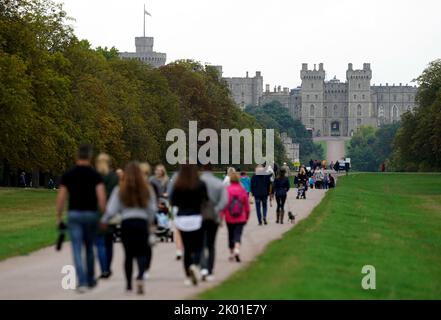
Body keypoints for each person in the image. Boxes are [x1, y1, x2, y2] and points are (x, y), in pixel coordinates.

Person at [56, 144, 106, 292]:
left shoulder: (69, 175)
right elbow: (102, 198)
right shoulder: (95, 175)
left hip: (74, 214)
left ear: (77, 156)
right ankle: (90, 279)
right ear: (90, 157)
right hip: (91, 214)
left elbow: (61, 198)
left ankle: (82, 281)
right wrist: (103, 217)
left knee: (77, 249)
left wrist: (59, 217)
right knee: (89, 248)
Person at [101, 162, 157, 294]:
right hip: (142, 223)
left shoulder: (120, 189)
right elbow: (152, 209)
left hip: (127, 223)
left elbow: (111, 209)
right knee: (142, 252)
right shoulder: (147, 189)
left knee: (128, 255)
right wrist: (150, 222)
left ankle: (128, 285)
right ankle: (140, 277)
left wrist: (104, 220)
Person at [169, 164, 208, 286]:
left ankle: (187, 274)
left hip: (182, 219)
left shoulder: (178, 185)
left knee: (187, 248)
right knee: (198, 246)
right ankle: (194, 265)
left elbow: (173, 201)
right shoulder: (200, 184)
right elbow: (205, 200)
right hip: (196, 217)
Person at [199, 163, 228, 282]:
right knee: (211, 245)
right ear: (213, 170)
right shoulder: (218, 183)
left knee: (200, 244)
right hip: (213, 217)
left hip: (200, 216)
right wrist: (216, 210)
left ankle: (203, 267)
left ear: (202, 169)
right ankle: (210, 271)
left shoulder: (197, 182)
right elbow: (224, 201)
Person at [95, 153, 119, 279]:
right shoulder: (114, 177)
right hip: (111, 211)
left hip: (99, 211)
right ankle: (108, 267)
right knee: (109, 241)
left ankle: (104, 269)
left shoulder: (96, 176)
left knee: (100, 242)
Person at [221, 173, 250, 262]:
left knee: (230, 235)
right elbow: (247, 207)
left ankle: (231, 253)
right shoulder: (242, 190)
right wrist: (247, 217)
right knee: (238, 234)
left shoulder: (227, 190)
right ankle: (237, 249)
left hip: (229, 217)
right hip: (241, 217)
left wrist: (221, 217)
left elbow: (223, 205)